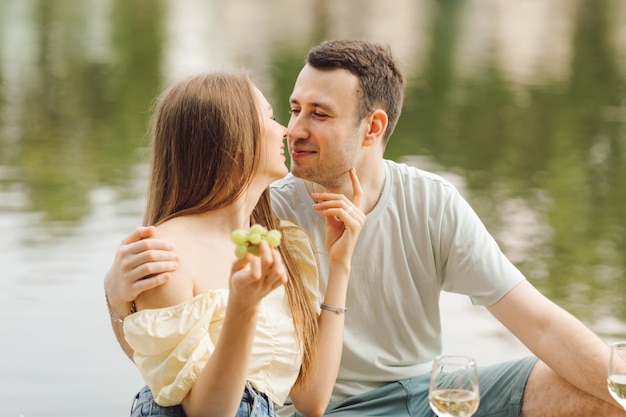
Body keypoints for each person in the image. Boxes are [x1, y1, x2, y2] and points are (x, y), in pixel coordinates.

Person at [105, 41, 626, 416]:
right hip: (315, 408)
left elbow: (541, 325)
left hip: (423, 397)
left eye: (319, 114)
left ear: (372, 127)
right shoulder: (265, 212)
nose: (294, 130)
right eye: (290, 109)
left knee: (589, 391)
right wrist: (116, 301)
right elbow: (177, 364)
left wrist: (620, 386)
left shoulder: (431, 201)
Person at [108, 70, 365, 417]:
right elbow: (207, 412)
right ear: (234, 140)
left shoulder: (283, 243)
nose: (286, 131)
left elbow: (312, 398)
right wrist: (243, 307)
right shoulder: (167, 256)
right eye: (272, 118)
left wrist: (341, 264)